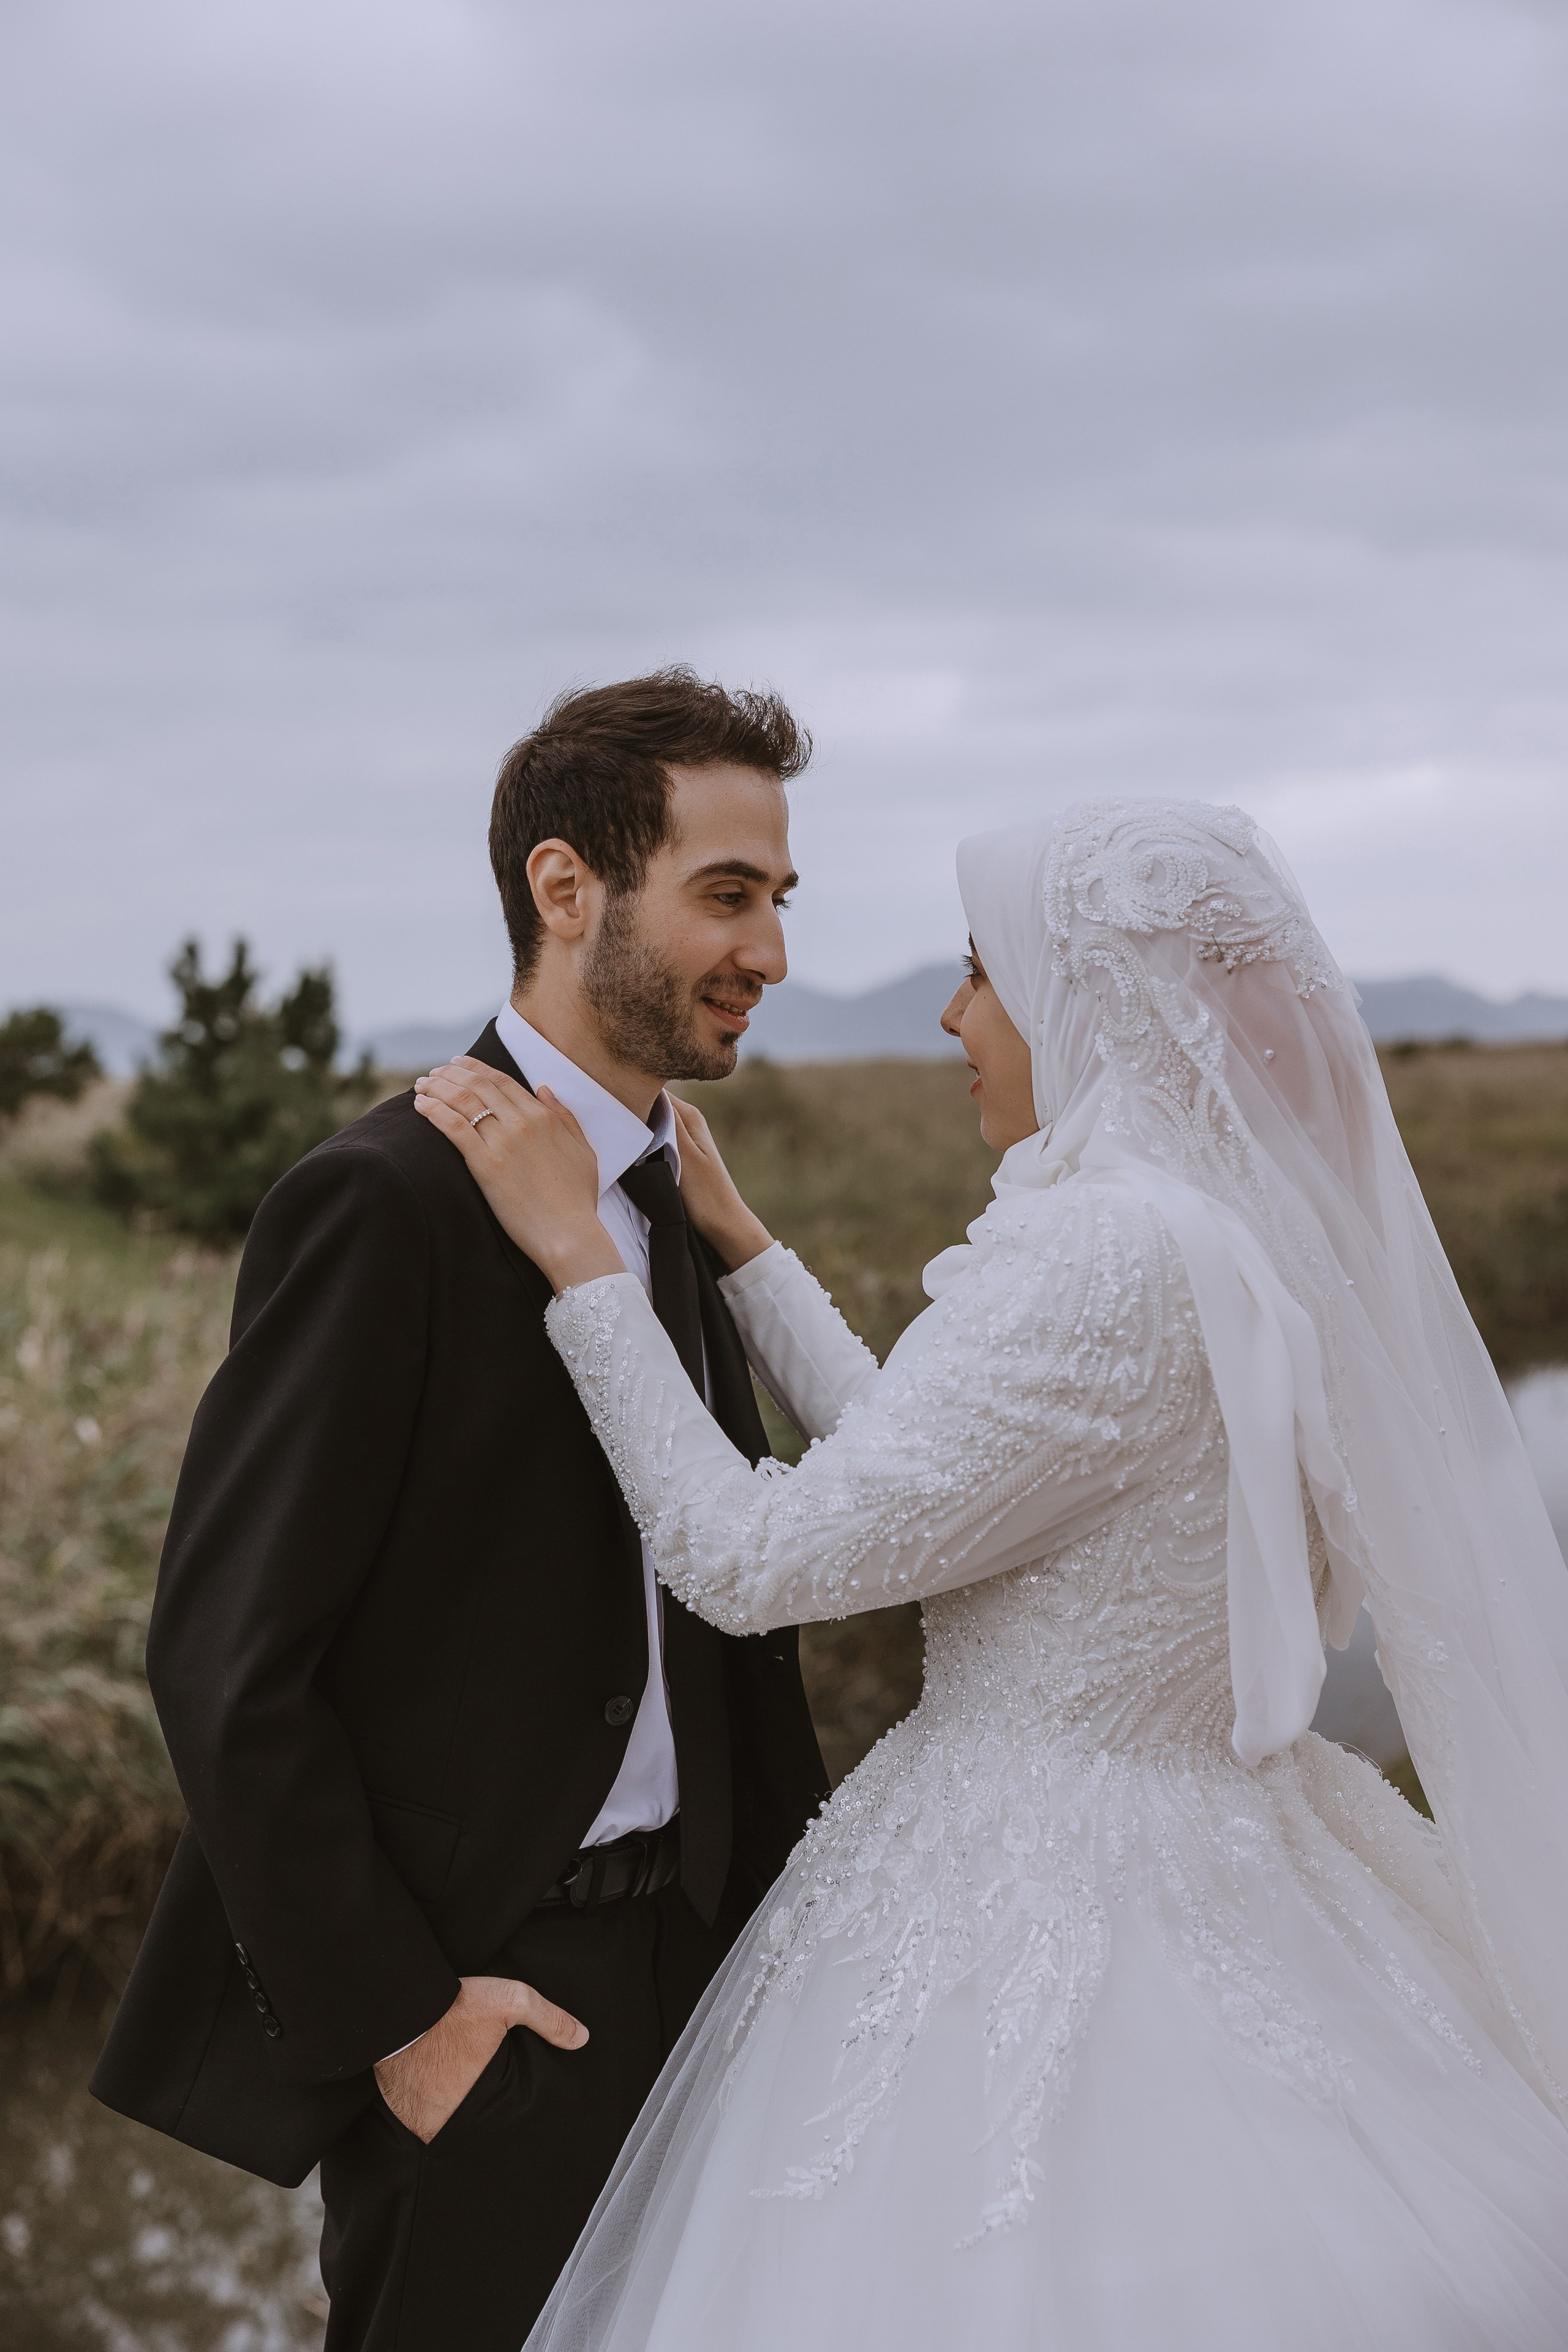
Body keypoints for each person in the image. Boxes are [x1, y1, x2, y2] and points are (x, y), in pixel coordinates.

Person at [413, 797, 1568, 2350]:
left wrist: (582, 1262)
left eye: (979, 971)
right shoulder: (1224, 1233)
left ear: (1080, 999)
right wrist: (744, 1250)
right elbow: (953, 1483)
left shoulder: (1094, 1256)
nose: (953, 1016)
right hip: (1237, 1843)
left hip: (1044, 1885)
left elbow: (750, 1560)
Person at [89, 669, 831, 2352]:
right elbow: (225, 1659)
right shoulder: (382, 1203)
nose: (772, 954)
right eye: (728, 894)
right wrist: (402, 2023)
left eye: (781, 900)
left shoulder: (667, 1193)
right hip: (495, 2006)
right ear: (566, 888)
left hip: (710, 1984)